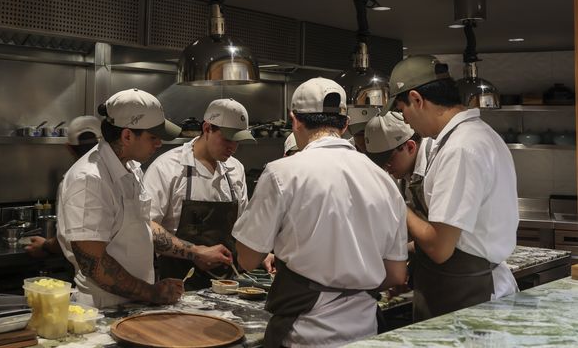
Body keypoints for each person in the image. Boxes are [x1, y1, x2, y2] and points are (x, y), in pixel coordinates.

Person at [232, 78, 408, 348]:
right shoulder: (384, 180)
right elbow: (396, 274)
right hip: (366, 331)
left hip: (304, 335)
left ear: (295, 120)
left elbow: (246, 258)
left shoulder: (282, 173)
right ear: (345, 124)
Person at [56, 89, 232, 307]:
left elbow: (143, 225)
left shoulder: (131, 168)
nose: (159, 144)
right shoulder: (89, 179)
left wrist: (195, 252)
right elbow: (93, 262)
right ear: (127, 136)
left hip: (134, 302)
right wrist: (151, 292)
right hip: (103, 307)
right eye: (153, 137)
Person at [380, 55, 518, 321]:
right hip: (464, 289)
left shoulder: (461, 148)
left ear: (417, 100)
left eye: (401, 109)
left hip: (469, 299)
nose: (405, 120)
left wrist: (393, 201)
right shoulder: (475, 135)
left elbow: (439, 247)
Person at [144, 98, 258, 288]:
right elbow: (147, 227)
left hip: (225, 284)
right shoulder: (167, 167)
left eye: (238, 141)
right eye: (227, 139)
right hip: (177, 283)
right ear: (207, 128)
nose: (233, 147)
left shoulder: (235, 169)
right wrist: (196, 252)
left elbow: (241, 227)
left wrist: (259, 254)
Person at [25, 115, 103, 258]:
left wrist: (44, 245)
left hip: (92, 268)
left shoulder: (75, 180)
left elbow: (69, 240)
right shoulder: (124, 170)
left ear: (69, 148)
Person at [364, 111, 432, 220]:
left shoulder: (438, 164)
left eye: (389, 160)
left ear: (410, 147)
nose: (386, 168)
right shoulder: (402, 169)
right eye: (381, 164)